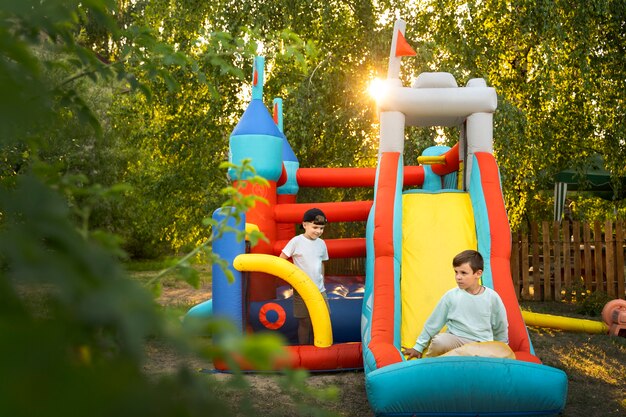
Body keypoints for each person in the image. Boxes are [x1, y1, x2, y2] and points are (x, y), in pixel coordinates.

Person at [402, 249, 509, 359]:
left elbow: (500, 326)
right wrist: (418, 347)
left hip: (480, 344)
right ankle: (429, 367)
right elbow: (433, 323)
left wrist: (502, 348)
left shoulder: (492, 297)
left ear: (478, 274)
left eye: (463, 273)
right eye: (456, 272)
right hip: (456, 340)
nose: (458, 277)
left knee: (487, 354)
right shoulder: (451, 296)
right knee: (439, 341)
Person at [280, 208, 329, 345]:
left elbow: (322, 264)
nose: (318, 231)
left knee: (321, 320)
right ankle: (304, 349)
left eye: (321, 228)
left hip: (319, 289)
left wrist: (322, 281)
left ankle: (319, 346)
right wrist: (291, 278)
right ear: (305, 225)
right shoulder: (296, 241)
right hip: (302, 289)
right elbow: (281, 260)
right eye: (315, 227)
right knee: (305, 322)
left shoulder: (321, 243)